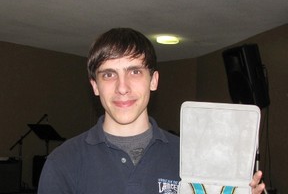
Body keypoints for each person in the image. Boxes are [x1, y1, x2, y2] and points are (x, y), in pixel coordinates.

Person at [38, 28, 265, 194]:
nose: (122, 87)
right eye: (109, 74)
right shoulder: (63, 162)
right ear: (95, 86)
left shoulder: (193, 158)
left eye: (134, 72)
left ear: (153, 80)